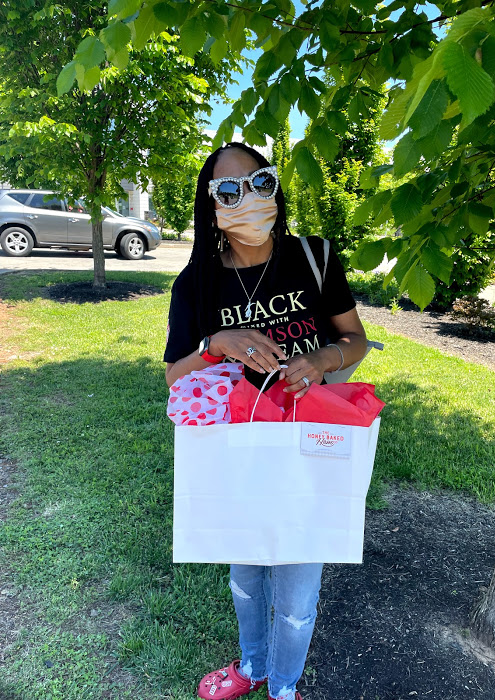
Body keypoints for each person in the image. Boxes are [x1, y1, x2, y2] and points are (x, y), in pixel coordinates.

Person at [164, 142, 368, 700]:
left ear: (276, 187)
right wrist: (214, 344)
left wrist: (322, 359)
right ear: (211, 206)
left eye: (260, 182)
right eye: (229, 191)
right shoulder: (196, 281)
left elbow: (355, 339)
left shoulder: (312, 257)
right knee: (247, 576)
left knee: (298, 596)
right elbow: (174, 376)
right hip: (238, 447)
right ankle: (253, 667)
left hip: (311, 443)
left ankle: (283, 686)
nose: (248, 198)